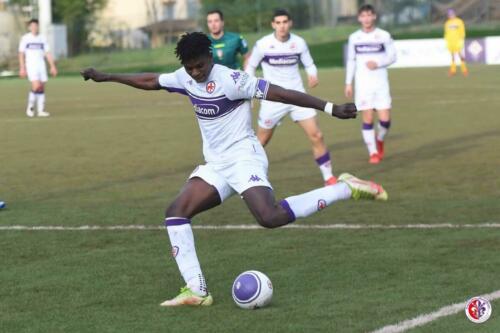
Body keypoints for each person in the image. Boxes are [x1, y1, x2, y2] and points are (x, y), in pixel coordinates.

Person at [81, 32, 388, 307]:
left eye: (199, 66)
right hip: (216, 165)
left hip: (244, 158)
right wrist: (106, 76)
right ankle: (196, 291)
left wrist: (330, 108)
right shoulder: (185, 77)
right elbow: (151, 81)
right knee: (175, 212)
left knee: (270, 217)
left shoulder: (232, 79)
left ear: (210, 58)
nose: (195, 73)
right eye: (190, 68)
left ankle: (343, 187)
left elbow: (280, 93)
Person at [246, 9, 337, 186]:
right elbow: (250, 67)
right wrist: (251, 91)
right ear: (273, 25)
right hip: (272, 98)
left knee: (316, 135)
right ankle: (247, 173)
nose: (282, 26)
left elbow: (310, 64)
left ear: (290, 23)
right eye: (278, 23)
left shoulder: (299, 43)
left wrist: (313, 74)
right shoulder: (263, 44)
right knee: (261, 141)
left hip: (298, 97)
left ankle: (329, 177)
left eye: (285, 22)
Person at [345, 4, 396, 164]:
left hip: (381, 83)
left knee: (385, 120)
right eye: (363, 16)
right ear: (359, 18)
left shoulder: (384, 35)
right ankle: (373, 152)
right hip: (363, 85)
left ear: (374, 17)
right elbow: (351, 60)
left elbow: (392, 56)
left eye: (369, 15)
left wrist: (378, 62)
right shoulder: (354, 38)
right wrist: (348, 83)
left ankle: (379, 139)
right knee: (367, 118)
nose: (366, 19)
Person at [18, 18, 58, 117]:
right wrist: (22, 68)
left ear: (38, 26)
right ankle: (30, 107)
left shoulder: (42, 38)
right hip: (31, 65)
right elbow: (21, 53)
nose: (34, 28)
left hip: (41, 65)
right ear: (29, 27)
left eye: (36, 26)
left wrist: (52, 66)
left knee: (42, 87)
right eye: (32, 26)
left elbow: (47, 53)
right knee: (36, 86)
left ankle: (41, 110)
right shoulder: (25, 38)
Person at [444, 8, 468, 76]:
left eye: (452, 14)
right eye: (449, 14)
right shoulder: (447, 23)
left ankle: (464, 70)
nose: (451, 16)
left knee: (461, 56)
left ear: (454, 14)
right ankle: (453, 70)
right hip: (451, 42)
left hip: (458, 41)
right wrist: (447, 40)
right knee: (452, 56)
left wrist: (462, 39)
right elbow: (446, 33)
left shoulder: (459, 21)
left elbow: (462, 31)